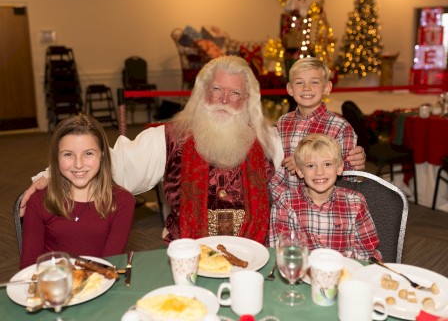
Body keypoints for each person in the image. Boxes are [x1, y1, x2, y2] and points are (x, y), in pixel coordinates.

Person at [21, 56, 366, 246]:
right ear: (201, 93)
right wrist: (49, 176)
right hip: (189, 260)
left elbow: (311, 171)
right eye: (216, 89)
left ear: (248, 100)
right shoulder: (168, 137)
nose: (224, 101)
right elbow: (111, 164)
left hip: (257, 259)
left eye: (235, 94)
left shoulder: (270, 139)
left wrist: (351, 159)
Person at [20, 115, 135, 269]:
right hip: (54, 285)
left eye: (88, 153)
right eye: (68, 154)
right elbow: (28, 267)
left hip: (99, 283)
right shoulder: (40, 200)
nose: (78, 164)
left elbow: (107, 265)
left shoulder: (122, 201)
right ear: (56, 158)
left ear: (102, 155)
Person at [269, 133, 382, 261]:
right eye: (311, 166)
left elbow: (368, 250)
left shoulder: (356, 203)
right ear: (300, 171)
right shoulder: (285, 203)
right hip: (303, 274)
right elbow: (282, 253)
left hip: (345, 274)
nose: (319, 172)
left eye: (327, 164)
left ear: (339, 168)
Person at [269, 57, 357, 202]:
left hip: (323, 204)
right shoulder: (283, 122)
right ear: (290, 89)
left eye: (314, 82)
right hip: (286, 202)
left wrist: (304, 163)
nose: (306, 88)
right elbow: (277, 165)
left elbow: (349, 174)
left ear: (327, 88)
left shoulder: (340, 127)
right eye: (299, 82)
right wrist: (283, 198)